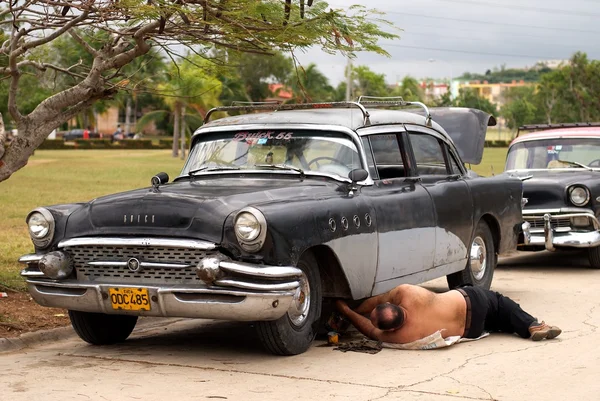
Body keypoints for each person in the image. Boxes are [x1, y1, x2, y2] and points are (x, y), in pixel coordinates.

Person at [335, 284, 561, 344]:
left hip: (472, 330)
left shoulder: (400, 336)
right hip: (470, 301)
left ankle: (523, 325)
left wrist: (347, 312)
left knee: (497, 319)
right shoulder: (407, 293)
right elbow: (379, 300)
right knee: (501, 303)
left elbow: (369, 330)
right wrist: (353, 307)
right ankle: (532, 324)